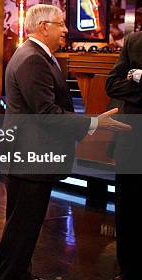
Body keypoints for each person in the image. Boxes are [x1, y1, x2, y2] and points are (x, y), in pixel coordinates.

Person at [0, 4, 130, 280]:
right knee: (20, 233)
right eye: (61, 24)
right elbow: (47, 114)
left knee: (21, 233)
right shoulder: (32, 58)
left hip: (27, 160)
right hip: (30, 162)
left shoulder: (34, 55)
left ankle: (19, 275)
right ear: (44, 27)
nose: (66, 30)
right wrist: (93, 123)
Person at [106, 30, 142, 280]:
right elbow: (112, 84)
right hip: (131, 139)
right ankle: (127, 269)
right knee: (128, 208)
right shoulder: (133, 41)